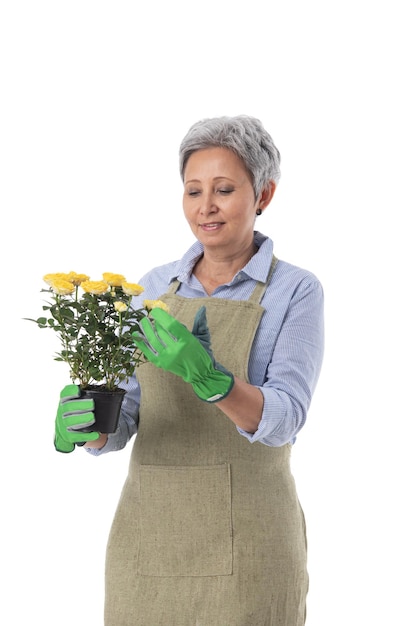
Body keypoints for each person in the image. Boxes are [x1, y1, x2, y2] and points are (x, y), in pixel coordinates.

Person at [55, 115, 324, 625]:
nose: (206, 206)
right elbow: (129, 414)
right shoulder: (152, 287)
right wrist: (90, 428)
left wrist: (211, 378)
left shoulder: (296, 290)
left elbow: (287, 417)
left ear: (263, 194)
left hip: (252, 548)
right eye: (193, 190)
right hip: (147, 545)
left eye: (224, 189)